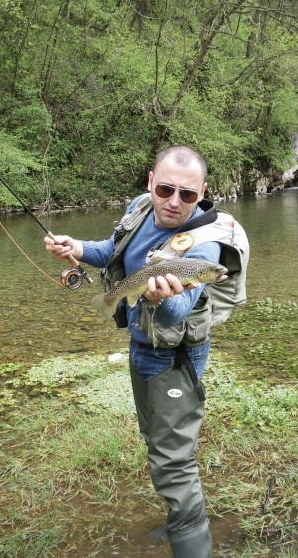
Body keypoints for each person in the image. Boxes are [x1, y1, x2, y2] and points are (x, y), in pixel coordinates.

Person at [44, 145, 226, 558]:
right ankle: (182, 524)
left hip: (175, 360)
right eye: (165, 189)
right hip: (141, 350)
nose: (174, 202)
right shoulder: (141, 208)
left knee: (173, 460)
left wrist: (161, 299)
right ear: (150, 183)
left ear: (202, 193)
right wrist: (76, 247)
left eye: (188, 195)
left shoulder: (206, 245)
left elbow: (177, 314)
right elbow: (113, 251)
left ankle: (192, 541)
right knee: (157, 443)